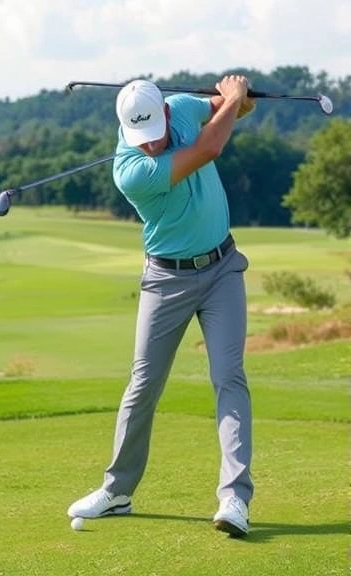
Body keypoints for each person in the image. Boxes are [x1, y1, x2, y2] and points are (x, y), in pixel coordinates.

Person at [67, 76, 256, 537]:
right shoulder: (131, 170)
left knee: (228, 376)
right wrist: (231, 98)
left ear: (167, 113)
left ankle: (234, 497)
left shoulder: (184, 107)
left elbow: (233, 110)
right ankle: (117, 491)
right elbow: (210, 148)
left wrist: (237, 95)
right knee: (143, 384)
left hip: (222, 269)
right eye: (140, 138)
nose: (150, 145)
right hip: (165, 280)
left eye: (155, 133)